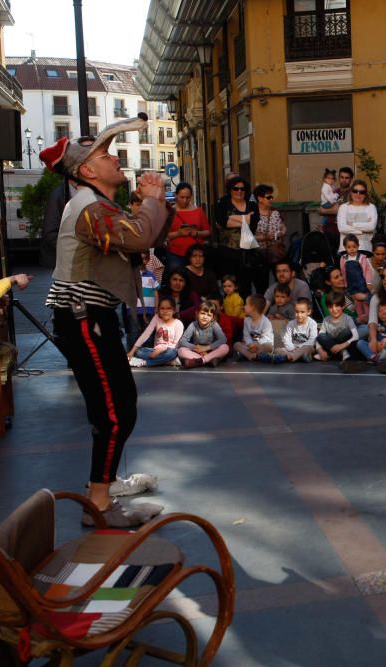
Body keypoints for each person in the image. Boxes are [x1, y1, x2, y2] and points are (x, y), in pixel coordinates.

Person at [39, 116, 169, 527]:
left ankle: (106, 484)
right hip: (83, 319)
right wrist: (151, 200)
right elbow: (139, 237)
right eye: (104, 155)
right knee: (113, 412)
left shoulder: (99, 204)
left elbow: (136, 243)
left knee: (121, 405)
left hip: (93, 318)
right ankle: (99, 504)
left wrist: (152, 209)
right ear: (87, 171)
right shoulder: (89, 207)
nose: (114, 159)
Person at [214, 176, 263, 297]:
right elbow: (223, 222)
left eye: (242, 189)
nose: (239, 191)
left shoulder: (251, 204)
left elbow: (254, 221)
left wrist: (233, 218)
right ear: (230, 190)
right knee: (228, 284)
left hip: (247, 252)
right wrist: (246, 218)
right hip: (227, 252)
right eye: (235, 189)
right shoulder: (223, 202)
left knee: (245, 285)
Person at [164, 182, 210, 273]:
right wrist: (178, 233)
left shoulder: (198, 212)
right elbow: (163, 236)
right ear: (176, 195)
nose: (185, 200)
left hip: (196, 256)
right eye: (182, 197)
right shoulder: (169, 213)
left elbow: (208, 232)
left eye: (188, 197)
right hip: (175, 254)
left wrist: (197, 233)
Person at [128, 296, 184, 368]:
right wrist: (132, 351)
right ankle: (166, 361)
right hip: (155, 350)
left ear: (174, 310)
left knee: (173, 352)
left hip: (168, 351)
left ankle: (145, 363)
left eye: (168, 308)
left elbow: (176, 345)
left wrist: (162, 349)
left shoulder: (178, 324)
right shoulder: (156, 318)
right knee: (138, 352)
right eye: (162, 308)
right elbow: (146, 334)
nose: (165, 311)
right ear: (158, 309)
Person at [177, 300, 229, 368]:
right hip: (197, 351)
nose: (205, 317)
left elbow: (223, 339)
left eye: (209, 315)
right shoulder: (193, 325)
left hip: (211, 351)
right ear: (197, 313)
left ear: (212, 318)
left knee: (225, 347)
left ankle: (201, 361)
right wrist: (195, 347)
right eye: (203, 313)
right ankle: (209, 360)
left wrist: (206, 348)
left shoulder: (214, 325)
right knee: (181, 351)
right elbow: (182, 341)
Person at [254, 184, 286, 285]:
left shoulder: (275, 212)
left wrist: (282, 232)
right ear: (260, 198)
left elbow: (282, 226)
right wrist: (265, 237)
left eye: (271, 197)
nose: (271, 199)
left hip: (276, 252)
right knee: (262, 282)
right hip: (260, 254)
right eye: (268, 197)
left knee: (281, 280)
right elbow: (248, 237)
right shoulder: (252, 215)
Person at [336, 179, 378, 254]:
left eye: (362, 192)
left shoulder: (371, 207)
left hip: (365, 249)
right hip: (346, 250)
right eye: (355, 191)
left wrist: (351, 224)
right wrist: (360, 231)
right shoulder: (343, 207)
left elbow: (371, 227)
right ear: (351, 192)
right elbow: (342, 228)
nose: (358, 194)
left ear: (365, 194)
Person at [235, 294, 275, 362]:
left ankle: (248, 355)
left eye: (246, 304)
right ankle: (252, 356)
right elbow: (246, 336)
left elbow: (267, 338)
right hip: (250, 347)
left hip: (261, 346)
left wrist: (256, 344)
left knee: (269, 347)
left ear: (253, 308)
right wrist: (250, 344)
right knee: (236, 345)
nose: (244, 307)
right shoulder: (246, 320)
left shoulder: (266, 322)